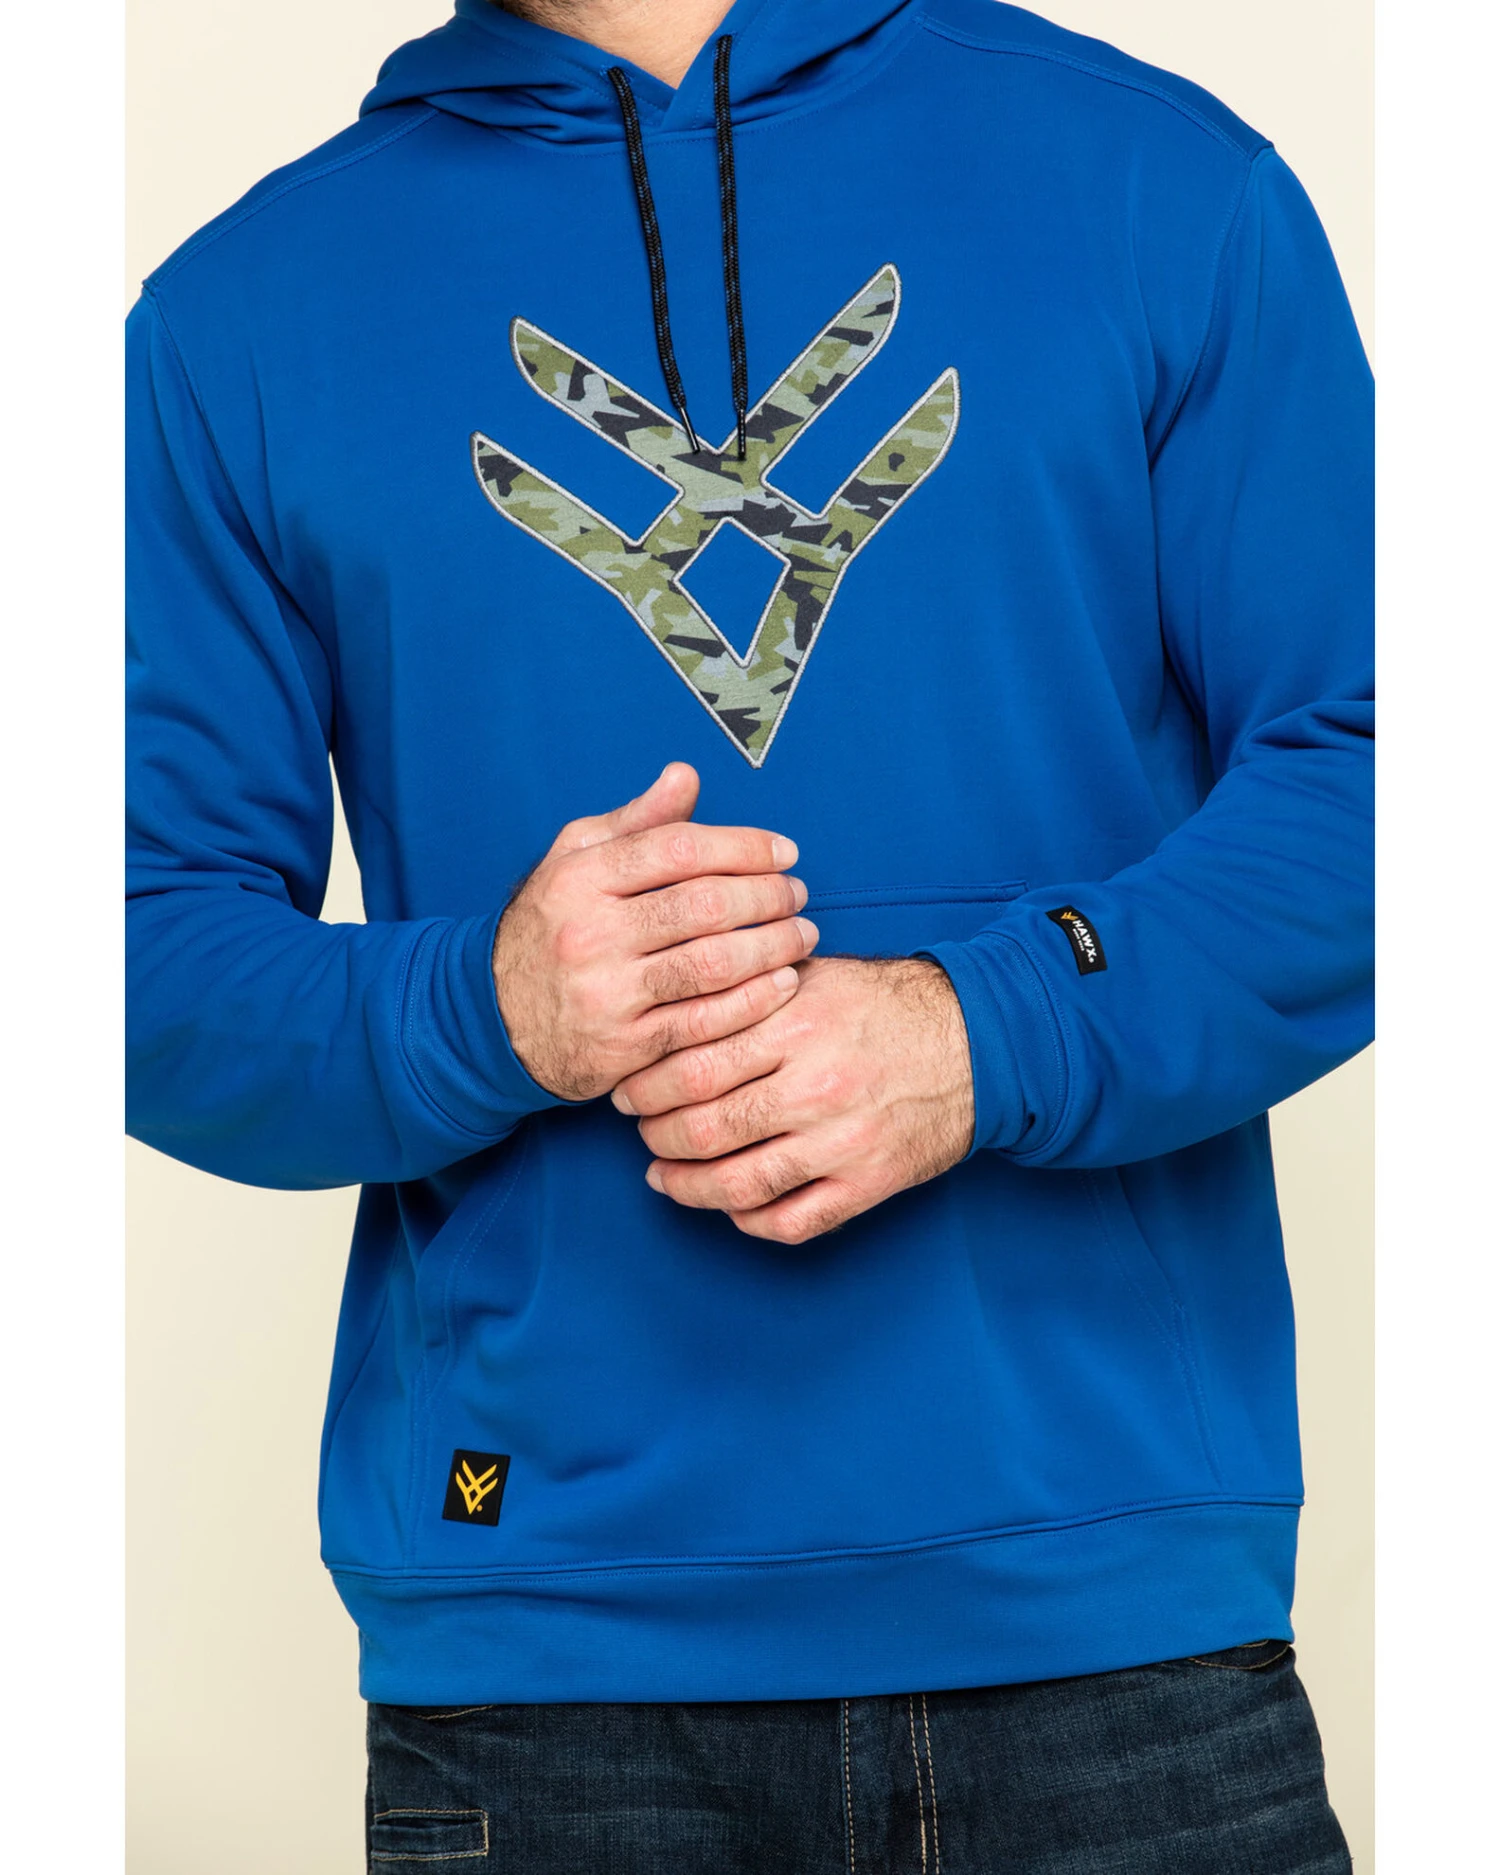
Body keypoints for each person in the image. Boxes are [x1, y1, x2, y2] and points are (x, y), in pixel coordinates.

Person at [126, 0, 1371, 1865]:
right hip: (551, 1669)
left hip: (1108, 1617)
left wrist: (985, 1031)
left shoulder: (1158, 186)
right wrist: (485, 1005)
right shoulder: (240, 314)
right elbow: (125, 952)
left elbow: (1390, 775)